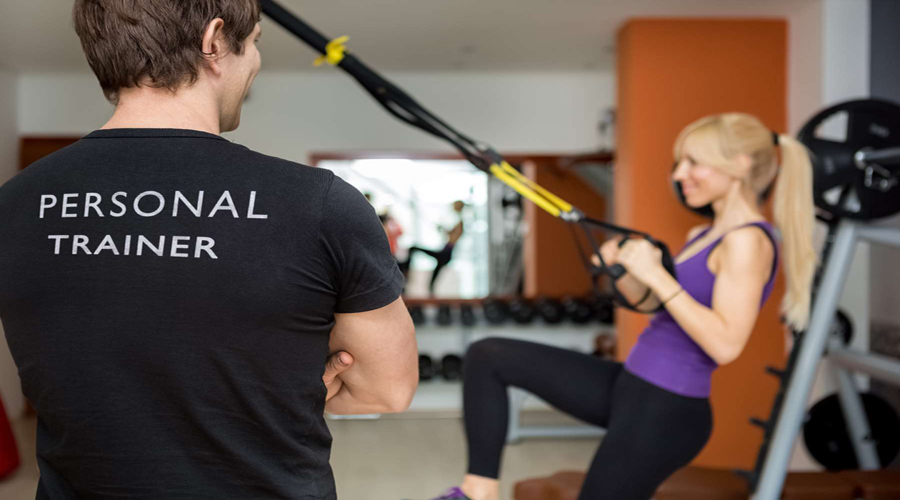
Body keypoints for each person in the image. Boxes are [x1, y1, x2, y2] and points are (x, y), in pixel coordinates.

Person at [0, 1, 418, 498]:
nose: (257, 62)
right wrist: (286, 391)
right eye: (257, 41)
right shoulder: (319, 204)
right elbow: (387, 389)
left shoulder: (15, 204)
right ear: (215, 40)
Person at [420, 113, 817, 500]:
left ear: (739, 165)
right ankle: (479, 488)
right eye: (679, 163)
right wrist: (625, 272)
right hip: (632, 384)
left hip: (668, 408)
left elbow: (726, 344)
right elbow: (659, 307)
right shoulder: (705, 234)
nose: (679, 175)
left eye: (693, 163)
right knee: (488, 356)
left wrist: (657, 273)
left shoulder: (749, 241)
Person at [400, 200, 466, 295]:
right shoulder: (458, 222)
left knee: (414, 248)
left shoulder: (460, 222)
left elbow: (453, 237)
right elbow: (450, 234)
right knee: (432, 283)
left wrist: (445, 230)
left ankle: (405, 271)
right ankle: (407, 273)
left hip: (445, 254)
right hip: (445, 253)